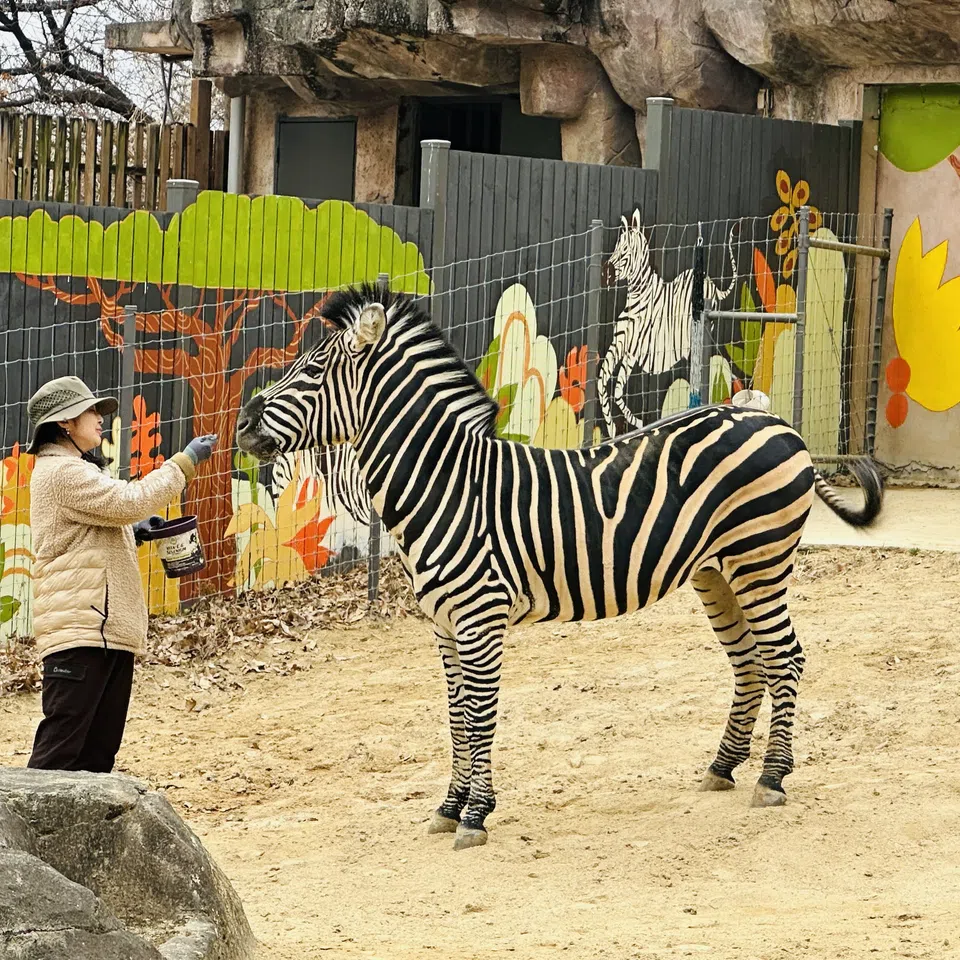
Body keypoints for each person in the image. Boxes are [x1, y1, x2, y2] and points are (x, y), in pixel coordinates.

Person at [23, 375, 218, 773]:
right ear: (64, 423)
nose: (100, 418)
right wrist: (184, 462)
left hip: (102, 630)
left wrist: (133, 531)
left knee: (95, 757)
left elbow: (98, 525)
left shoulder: (72, 470)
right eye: (90, 410)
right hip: (81, 631)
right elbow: (130, 500)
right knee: (58, 757)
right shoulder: (62, 473)